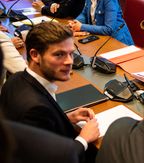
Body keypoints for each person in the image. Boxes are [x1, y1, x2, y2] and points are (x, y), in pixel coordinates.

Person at [0, 22, 100, 160]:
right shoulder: (35, 109)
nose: (69, 61)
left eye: (71, 54)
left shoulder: (15, 79)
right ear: (35, 55)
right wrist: (84, 139)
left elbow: (38, 131)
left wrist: (65, 118)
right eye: (59, 55)